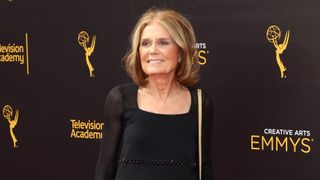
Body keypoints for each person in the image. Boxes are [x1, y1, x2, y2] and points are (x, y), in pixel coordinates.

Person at [95, 7, 214, 180]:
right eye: (145, 43)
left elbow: (205, 168)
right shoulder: (120, 98)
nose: (152, 50)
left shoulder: (201, 103)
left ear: (181, 52)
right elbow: (105, 168)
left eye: (163, 43)